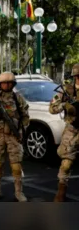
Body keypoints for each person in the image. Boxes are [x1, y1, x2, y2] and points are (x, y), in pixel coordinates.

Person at [0, 72, 30, 202]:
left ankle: (19, 193)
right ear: (0, 84)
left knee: (16, 166)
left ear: (13, 84)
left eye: (9, 83)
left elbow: (25, 117)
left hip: (13, 135)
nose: (6, 85)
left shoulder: (18, 98)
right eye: (4, 83)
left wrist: (21, 130)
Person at [49, 63, 79, 202]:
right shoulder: (67, 91)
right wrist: (64, 105)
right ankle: (61, 192)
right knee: (66, 163)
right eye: (78, 76)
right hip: (73, 129)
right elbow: (52, 108)